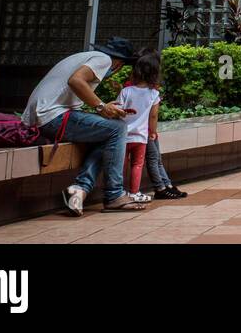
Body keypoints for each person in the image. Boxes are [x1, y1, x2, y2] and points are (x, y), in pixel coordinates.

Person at [21, 37, 152, 215]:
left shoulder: (87, 56)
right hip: (52, 117)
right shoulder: (103, 59)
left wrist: (104, 109)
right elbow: (76, 81)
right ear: (119, 64)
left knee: (108, 134)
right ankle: (114, 195)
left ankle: (79, 189)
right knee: (119, 129)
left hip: (46, 116)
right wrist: (100, 107)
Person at [115, 50, 161, 195]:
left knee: (121, 165)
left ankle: (119, 191)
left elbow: (116, 110)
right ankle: (134, 192)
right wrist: (152, 132)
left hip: (122, 136)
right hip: (140, 137)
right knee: (137, 165)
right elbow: (153, 117)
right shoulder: (154, 94)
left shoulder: (126, 91)